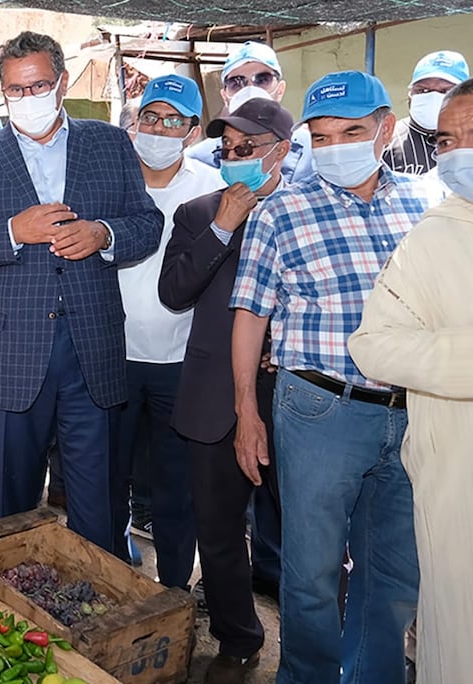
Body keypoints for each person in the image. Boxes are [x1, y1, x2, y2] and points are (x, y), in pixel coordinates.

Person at [230, 71, 443, 683]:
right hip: (319, 409)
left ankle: (374, 675)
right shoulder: (281, 210)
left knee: (394, 570)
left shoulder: (424, 207)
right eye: (321, 137)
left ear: (386, 129)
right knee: (312, 571)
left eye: (352, 131)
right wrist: (247, 411)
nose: (336, 147)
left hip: (411, 410)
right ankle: (307, 676)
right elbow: (249, 315)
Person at [0, 31, 161, 545]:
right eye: (15, 90)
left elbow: (147, 224)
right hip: (8, 357)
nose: (26, 99)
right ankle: (15, 612)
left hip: (92, 353)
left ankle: (99, 605)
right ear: (2, 92)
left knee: (98, 504)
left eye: (37, 87)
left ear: (59, 85)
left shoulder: (107, 143)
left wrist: (104, 234)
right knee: (9, 510)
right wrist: (15, 232)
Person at [159, 97, 294, 684]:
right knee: (216, 533)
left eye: (248, 149)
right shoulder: (196, 213)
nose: (236, 159)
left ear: (281, 152)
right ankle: (238, 638)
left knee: (307, 531)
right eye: (228, 151)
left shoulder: (308, 210)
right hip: (214, 394)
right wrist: (223, 227)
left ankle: (323, 639)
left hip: (295, 394)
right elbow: (175, 292)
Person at [349, 78, 473, 684]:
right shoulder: (433, 237)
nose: (459, 153)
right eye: (448, 140)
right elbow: (373, 346)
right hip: (460, 486)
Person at [111, 74, 224, 588]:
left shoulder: (213, 189)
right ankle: (112, 572)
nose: (158, 129)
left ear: (193, 131)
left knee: (177, 485)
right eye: (150, 117)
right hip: (113, 356)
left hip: (182, 361)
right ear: (135, 123)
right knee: (109, 476)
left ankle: (174, 588)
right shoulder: (109, 178)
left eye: (173, 120)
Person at [187, 41, 315, 186]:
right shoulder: (198, 161)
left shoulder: (313, 151)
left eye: (262, 80)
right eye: (236, 82)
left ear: (280, 90)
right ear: (225, 96)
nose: (250, 89)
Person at [383, 51, 469, 174]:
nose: (433, 96)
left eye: (445, 90)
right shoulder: (385, 141)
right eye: (422, 90)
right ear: (411, 94)